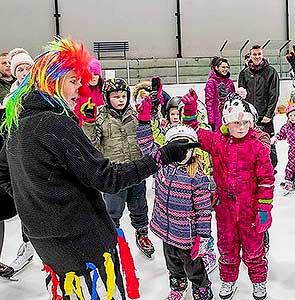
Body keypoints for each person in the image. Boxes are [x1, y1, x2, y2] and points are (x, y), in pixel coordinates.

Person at [0, 37, 196, 299]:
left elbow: (3, 173)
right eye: (72, 81)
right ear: (52, 81)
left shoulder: (17, 124)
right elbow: (108, 178)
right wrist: (163, 155)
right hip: (81, 241)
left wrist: (34, 206)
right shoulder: (54, 124)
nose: (79, 89)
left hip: (46, 243)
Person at [181, 89, 275, 300]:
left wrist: (264, 208)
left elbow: (267, 180)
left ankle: (259, 281)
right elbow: (194, 132)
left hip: (250, 208)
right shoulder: (218, 142)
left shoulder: (258, 148)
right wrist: (189, 112)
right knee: (227, 247)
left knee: (254, 250)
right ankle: (228, 280)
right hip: (225, 208)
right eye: (235, 123)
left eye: (245, 123)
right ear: (226, 123)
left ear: (251, 123)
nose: (241, 127)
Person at [137, 111, 214, 300]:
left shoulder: (197, 177)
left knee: (193, 266)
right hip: (165, 231)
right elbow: (147, 148)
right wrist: (144, 121)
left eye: (187, 149)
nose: (183, 153)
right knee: (172, 264)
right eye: (177, 148)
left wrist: (203, 237)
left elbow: (204, 210)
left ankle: (201, 288)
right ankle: (178, 287)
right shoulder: (161, 165)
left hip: (187, 236)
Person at [81, 77, 155, 259]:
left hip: (136, 170)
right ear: (107, 97)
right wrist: (89, 123)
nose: (121, 99)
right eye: (116, 96)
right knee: (113, 208)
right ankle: (111, 235)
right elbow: (92, 146)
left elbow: (149, 134)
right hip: (114, 174)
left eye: (123, 95)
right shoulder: (100, 118)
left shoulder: (135, 115)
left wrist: (151, 112)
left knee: (139, 206)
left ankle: (142, 233)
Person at [2, 48, 36, 273]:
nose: (24, 72)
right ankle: (27, 246)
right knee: (24, 201)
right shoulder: (8, 99)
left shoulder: (42, 91)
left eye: (27, 68)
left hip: (37, 155)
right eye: (19, 69)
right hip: (16, 156)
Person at [238, 44, 280, 169]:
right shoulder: (244, 73)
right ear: (250, 56)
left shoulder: (271, 72)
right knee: (249, 141)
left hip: (264, 116)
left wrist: (269, 114)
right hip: (249, 116)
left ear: (262, 55)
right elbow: (241, 95)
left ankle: (271, 166)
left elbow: (274, 94)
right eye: (254, 54)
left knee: (268, 141)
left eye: (259, 54)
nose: (257, 56)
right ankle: (251, 166)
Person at [205, 56, 235, 132]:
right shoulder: (211, 82)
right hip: (217, 116)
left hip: (229, 115)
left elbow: (234, 99)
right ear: (217, 68)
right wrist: (211, 120)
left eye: (227, 67)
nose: (225, 69)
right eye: (223, 67)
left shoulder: (230, 82)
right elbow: (209, 102)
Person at [74, 58, 104, 126]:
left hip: (103, 126)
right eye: (90, 75)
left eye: (96, 74)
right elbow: (76, 112)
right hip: (85, 126)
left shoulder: (104, 89)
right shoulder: (80, 91)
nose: (93, 77)